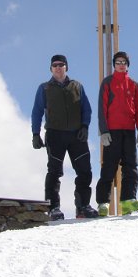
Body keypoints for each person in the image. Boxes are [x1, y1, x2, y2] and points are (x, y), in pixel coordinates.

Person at [31, 54, 98, 220]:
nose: (58, 67)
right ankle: (53, 208)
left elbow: (86, 109)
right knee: (54, 172)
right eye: (55, 65)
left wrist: (84, 126)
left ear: (66, 67)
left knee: (84, 171)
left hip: (77, 135)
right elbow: (37, 112)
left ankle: (83, 206)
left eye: (61, 65)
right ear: (51, 69)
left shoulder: (77, 86)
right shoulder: (44, 88)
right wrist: (35, 134)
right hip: (55, 134)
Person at [95, 51, 138, 216]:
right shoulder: (108, 82)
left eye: (124, 62)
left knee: (131, 166)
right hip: (112, 131)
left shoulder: (134, 85)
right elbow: (102, 108)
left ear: (127, 65)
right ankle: (103, 202)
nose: (121, 64)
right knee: (109, 166)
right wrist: (103, 131)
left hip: (129, 131)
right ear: (114, 64)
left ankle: (127, 201)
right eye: (118, 62)